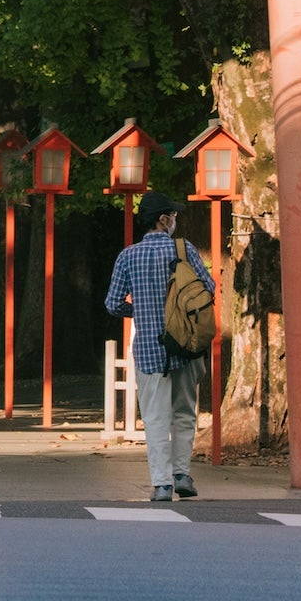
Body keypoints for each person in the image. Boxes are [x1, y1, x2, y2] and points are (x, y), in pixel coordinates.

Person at [102, 192, 214, 504]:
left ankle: (162, 484)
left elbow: (112, 304)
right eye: (173, 215)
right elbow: (209, 289)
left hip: (149, 350)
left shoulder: (128, 256)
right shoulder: (184, 249)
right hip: (186, 347)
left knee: (154, 418)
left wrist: (139, 311)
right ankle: (182, 474)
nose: (175, 220)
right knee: (183, 413)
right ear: (163, 219)